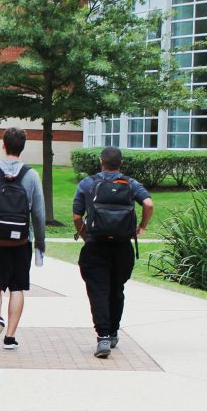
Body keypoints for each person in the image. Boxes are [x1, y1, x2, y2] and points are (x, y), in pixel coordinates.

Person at [72, 146, 154, 358]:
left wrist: (86, 236)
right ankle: (114, 331)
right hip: (122, 247)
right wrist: (142, 226)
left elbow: (76, 216)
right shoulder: (130, 184)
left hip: (95, 246)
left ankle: (103, 337)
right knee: (116, 289)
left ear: (101, 162)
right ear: (121, 163)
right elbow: (148, 203)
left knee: (98, 290)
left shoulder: (88, 183)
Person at [0, 127, 47, 351]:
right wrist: (40, 243)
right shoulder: (31, 175)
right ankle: (11, 337)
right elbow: (39, 212)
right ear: (23, 147)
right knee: (17, 286)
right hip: (22, 241)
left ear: (3, 145)